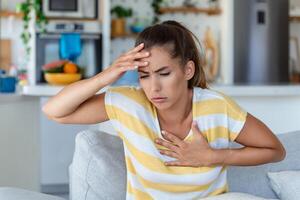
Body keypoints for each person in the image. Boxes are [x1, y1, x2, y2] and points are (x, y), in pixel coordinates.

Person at [43, 20, 286, 199]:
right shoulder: (129, 103)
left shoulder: (216, 107)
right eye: (144, 76)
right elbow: (54, 110)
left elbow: (275, 150)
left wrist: (212, 156)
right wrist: (106, 76)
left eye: (164, 73)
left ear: (187, 71)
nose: (154, 87)